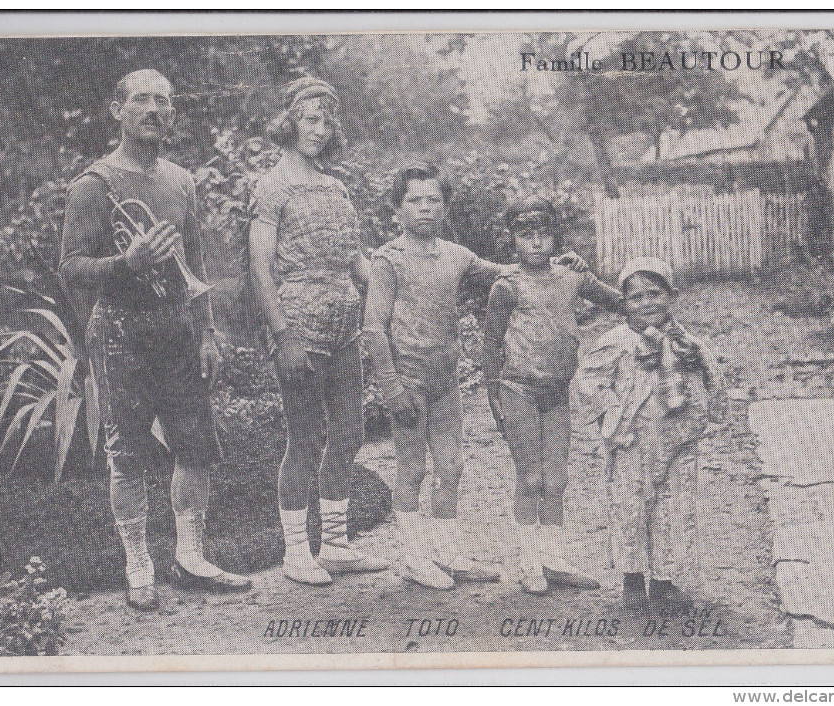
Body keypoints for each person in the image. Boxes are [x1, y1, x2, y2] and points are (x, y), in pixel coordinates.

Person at [60, 69, 249, 611]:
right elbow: (70, 269)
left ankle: (190, 555)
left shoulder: (182, 181)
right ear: (117, 110)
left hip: (178, 331)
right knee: (129, 455)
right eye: (140, 100)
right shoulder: (93, 184)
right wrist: (129, 261)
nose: (153, 110)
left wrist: (208, 331)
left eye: (163, 101)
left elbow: (197, 263)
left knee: (196, 447)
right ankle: (137, 562)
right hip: (120, 331)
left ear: (173, 112)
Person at [248, 77, 388, 586]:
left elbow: (353, 257)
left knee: (350, 430)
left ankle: (335, 543)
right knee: (304, 436)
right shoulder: (272, 187)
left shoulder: (337, 187)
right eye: (311, 119)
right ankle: (295, 550)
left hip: (344, 324)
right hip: (298, 325)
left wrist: (388, 291)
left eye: (328, 121)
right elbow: (260, 268)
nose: (320, 130)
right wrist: (281, 334)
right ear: (290, 122)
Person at [362, 162, 512, 590]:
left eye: (434, 200)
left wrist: (553, 262)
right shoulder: (387, 259)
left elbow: (504, 272)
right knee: (411, 469)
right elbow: (374, 326)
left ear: (445, 207)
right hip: (408, 379)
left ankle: (447, 552)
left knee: (452, 466)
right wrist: (390, 386)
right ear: (398, 208)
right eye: (414, 200)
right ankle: (412, 556)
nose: (425, 208)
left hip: (446, 378)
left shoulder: (456, 255)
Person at [481, 196, 624, 595]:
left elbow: (618, 301)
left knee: (557, 479)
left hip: (559, 391)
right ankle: (530, 565)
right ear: (512, 240)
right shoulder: (506, 287)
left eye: (545, 234)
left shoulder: (572, 277)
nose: (537, 243)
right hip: (518, 389)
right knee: (530, 478)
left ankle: (554, 560)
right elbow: (490, 345)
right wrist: (495, 401)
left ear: (556, 237)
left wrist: (648, 303)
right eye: (527, 235)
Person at [577, 256, 725, 614]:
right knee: (631, 506)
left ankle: (662, 580)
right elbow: (588, 382)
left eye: (655, 294)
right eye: (637, 297)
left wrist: (700, 374)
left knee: (672, 508)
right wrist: (613, 418)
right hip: (634, 439)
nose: (647, 304)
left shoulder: (686, 342)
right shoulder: (615, 342)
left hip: (677, 437)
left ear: (671, 295)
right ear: (624, 303)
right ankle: (632, 579)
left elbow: (712, 378)